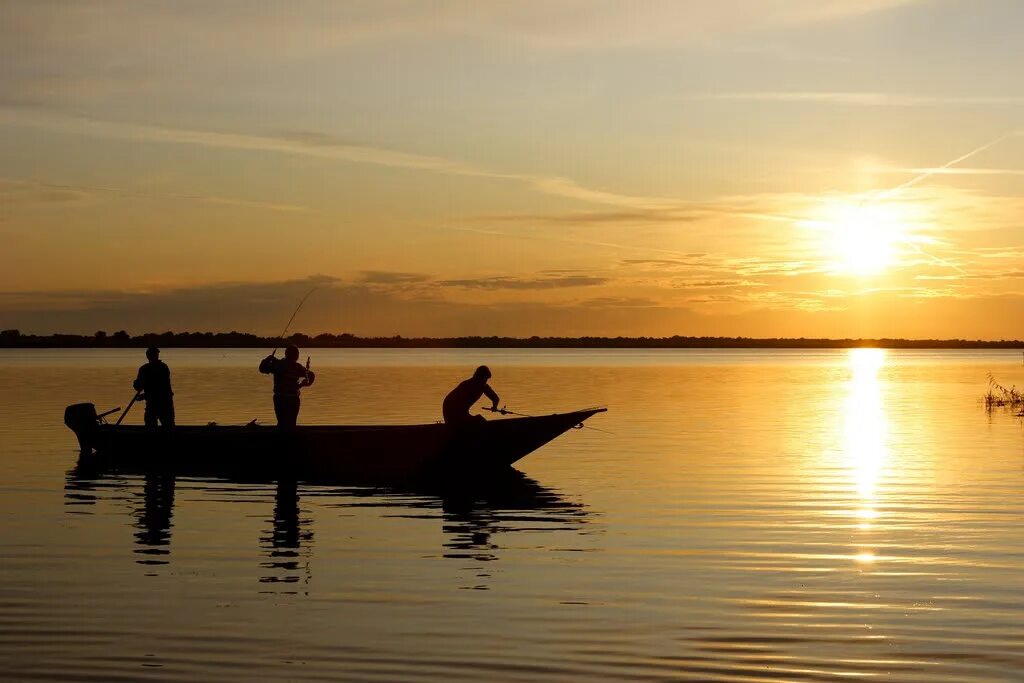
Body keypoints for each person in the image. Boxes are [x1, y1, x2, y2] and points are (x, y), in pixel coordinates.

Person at [259, 345, 315, 429]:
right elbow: (311, 375)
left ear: (286, 354)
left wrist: (268, 358)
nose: (297, 356)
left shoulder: (277, 365)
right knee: (291, 424)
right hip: (292, 399)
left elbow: (262, 368)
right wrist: (303, 385)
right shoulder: (297, 367)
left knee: (281, 423)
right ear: (296, 355)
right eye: (297, 354)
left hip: (280, 398)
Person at [133, 346, 175, 429]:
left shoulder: (146, 369)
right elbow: (142, 387)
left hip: (159, 403)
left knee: (158, 426)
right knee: (166, 426)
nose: (156, 356)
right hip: (162, 402)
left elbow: (139, 387)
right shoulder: (163, 367)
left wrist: (141, 392)